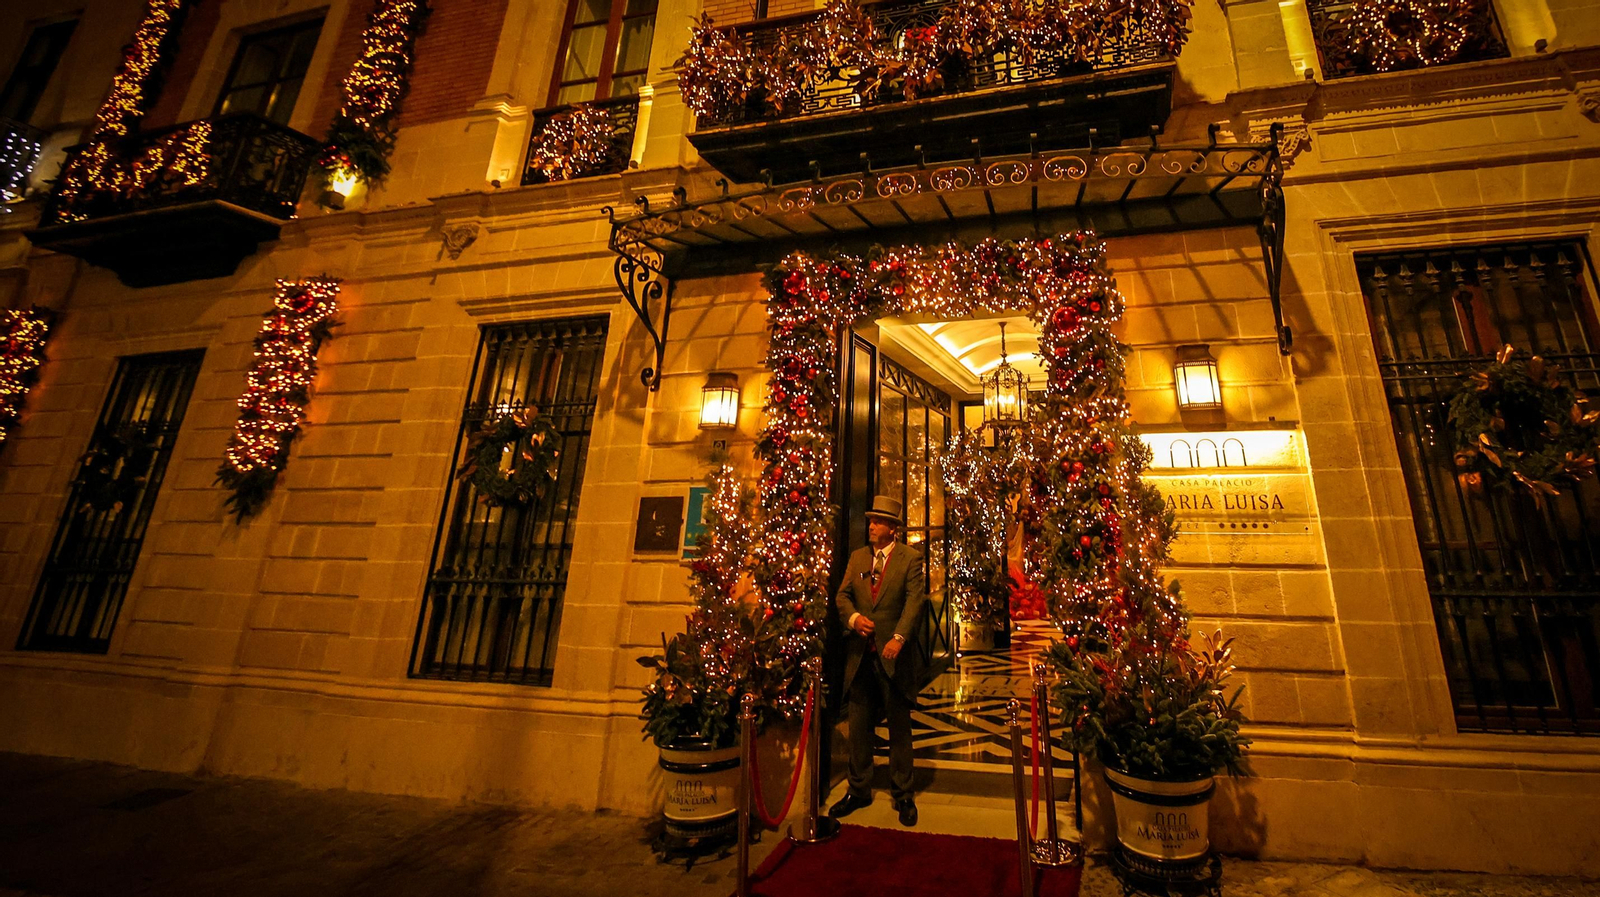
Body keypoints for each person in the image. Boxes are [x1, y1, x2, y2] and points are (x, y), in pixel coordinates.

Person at [829, 495, 927, 827]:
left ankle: (903, 795)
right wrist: (854, 618)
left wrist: (899, 637)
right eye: (871, 521)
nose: (871, 526)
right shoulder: (858, 557)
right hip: (860, 657)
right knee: (859, 726)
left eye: (879, 522)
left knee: (899, 727)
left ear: (893, 529)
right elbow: (842, 595)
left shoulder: (909, 559)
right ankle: (858, 789)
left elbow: (915, 601)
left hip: (893, 658)